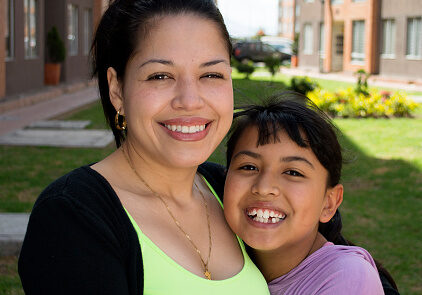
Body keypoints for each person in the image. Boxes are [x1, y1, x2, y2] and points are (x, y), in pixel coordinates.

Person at [18, 1, 269, 294]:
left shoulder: (233, 189)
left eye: (211, 75)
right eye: (160, 76)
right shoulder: (72, 217)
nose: (190, 100)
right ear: (117, 90)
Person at [223, 93, 398, 294]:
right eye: (249, 167)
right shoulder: (213, 255)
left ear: (329, 203)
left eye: (292, 172)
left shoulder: (346, 277)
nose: (264, 188)